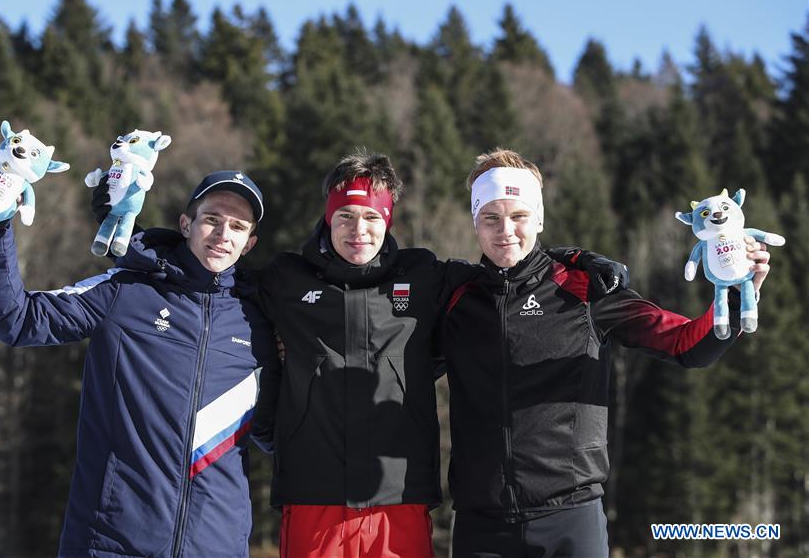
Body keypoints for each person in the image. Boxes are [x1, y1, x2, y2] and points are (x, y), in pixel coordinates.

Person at [249, 152, 628, 558]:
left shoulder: (424, 276)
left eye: (372, 217)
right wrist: (273, 433)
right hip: (312, 494)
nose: (358, 230)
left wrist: (576, 259)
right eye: (345, 216)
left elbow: (511, 267)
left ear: (388, 220)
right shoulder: (284, 279)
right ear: (328, 218)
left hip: (401, 496)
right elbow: (218, 293)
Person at [439, 149, 773, 558]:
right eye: (490, 217)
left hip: (570, 522)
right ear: (475, 222)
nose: (505, 230)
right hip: (480, 527)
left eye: (518, 216)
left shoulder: (587, 289)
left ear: (539, 219)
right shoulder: (455, 300)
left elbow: (687, 345)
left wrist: (738, 297)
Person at [0, 169, 276, 557]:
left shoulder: (260, 325)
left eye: (237, 226)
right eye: (212, 219)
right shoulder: (125, 292)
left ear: (249, 243)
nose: (222, 234)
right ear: (186, 224)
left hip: (216, 546)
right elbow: (16, 320)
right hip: (110, 542)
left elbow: (275, 433)